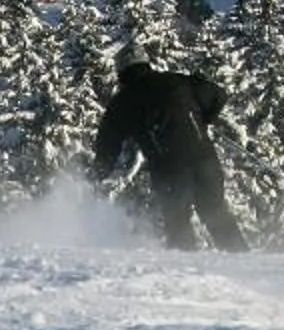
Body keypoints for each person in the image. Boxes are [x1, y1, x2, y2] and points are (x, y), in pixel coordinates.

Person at [90, 56, 247, 252]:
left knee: (178, 221)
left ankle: (184, 274)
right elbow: (219, 95)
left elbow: (108, 144)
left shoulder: (123, 101)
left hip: (170, 169)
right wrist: (204, 119)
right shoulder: (178, 80)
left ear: (121, 74)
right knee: (215, 211)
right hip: (205, 159)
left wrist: (97, 173)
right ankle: (241, 261)